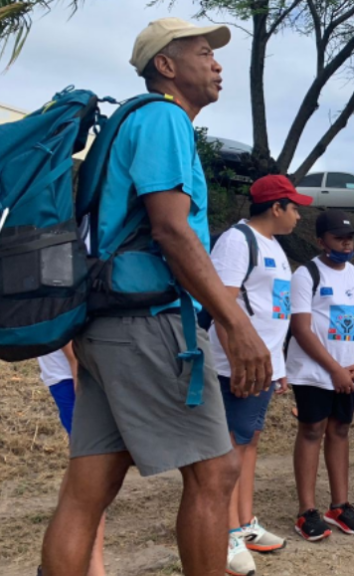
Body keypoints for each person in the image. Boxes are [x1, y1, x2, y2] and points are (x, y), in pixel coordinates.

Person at [41, 18, 272, 576]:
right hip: (148, 322)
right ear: (165, 66)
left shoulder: (127, 123)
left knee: (89, 485)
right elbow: (171, 230)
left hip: (104, 323)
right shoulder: (165, 118)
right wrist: (235, 323)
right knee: (215, 472)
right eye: (203, 52)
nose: (217, 63)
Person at [209, 175, 308, 572]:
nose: (298, 215)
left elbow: (274, 311)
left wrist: (277, 367)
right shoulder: (237, 241)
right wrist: (237, 362)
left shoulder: (275, 246)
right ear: (275, 207)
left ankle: (244, 522)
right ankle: (225, 533)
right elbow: (222, 306)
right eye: (294, 207)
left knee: (249, 443)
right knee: (230, 449)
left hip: (264, 367)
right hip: (237, 368)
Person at [286, 211, 354, 543]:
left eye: (350, 238)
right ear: (321, 241)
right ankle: (306, 510)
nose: (346, 244)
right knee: (312, 431)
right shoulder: (306, 274)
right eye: (339, 238)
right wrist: (333, 369)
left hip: (351, 373)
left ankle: (339, 506)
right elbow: (301, 328)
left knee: (340, 430)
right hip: (314, 373)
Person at [38, 347, 107, 576]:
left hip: (80, 369)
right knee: (93, 470)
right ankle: (92, 570)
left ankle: (59, 567)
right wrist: (78, 370)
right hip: (74, 372)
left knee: (84, 467)